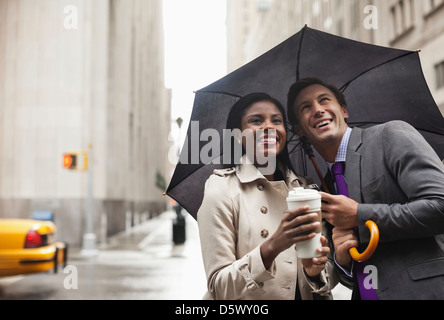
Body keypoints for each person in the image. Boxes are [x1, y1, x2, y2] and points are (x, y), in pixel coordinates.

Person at [286, 77, 444, 300]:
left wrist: (359, 215)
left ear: (343, 110)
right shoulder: (324, 187)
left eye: (324, 100)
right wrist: (343, 261)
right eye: (306, 107)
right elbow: (358, 275)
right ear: (299, 130)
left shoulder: (390, 135)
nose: (318, 110)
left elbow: (440, 205)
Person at [197, 93, 337, 300]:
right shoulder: (221, 189)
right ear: (238, 135)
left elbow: (330, 273)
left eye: (276, 120)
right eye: (256, 120)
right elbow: (219, 288)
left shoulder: (306, 188)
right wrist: (273, 246)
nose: (269, 127)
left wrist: (314, 271)